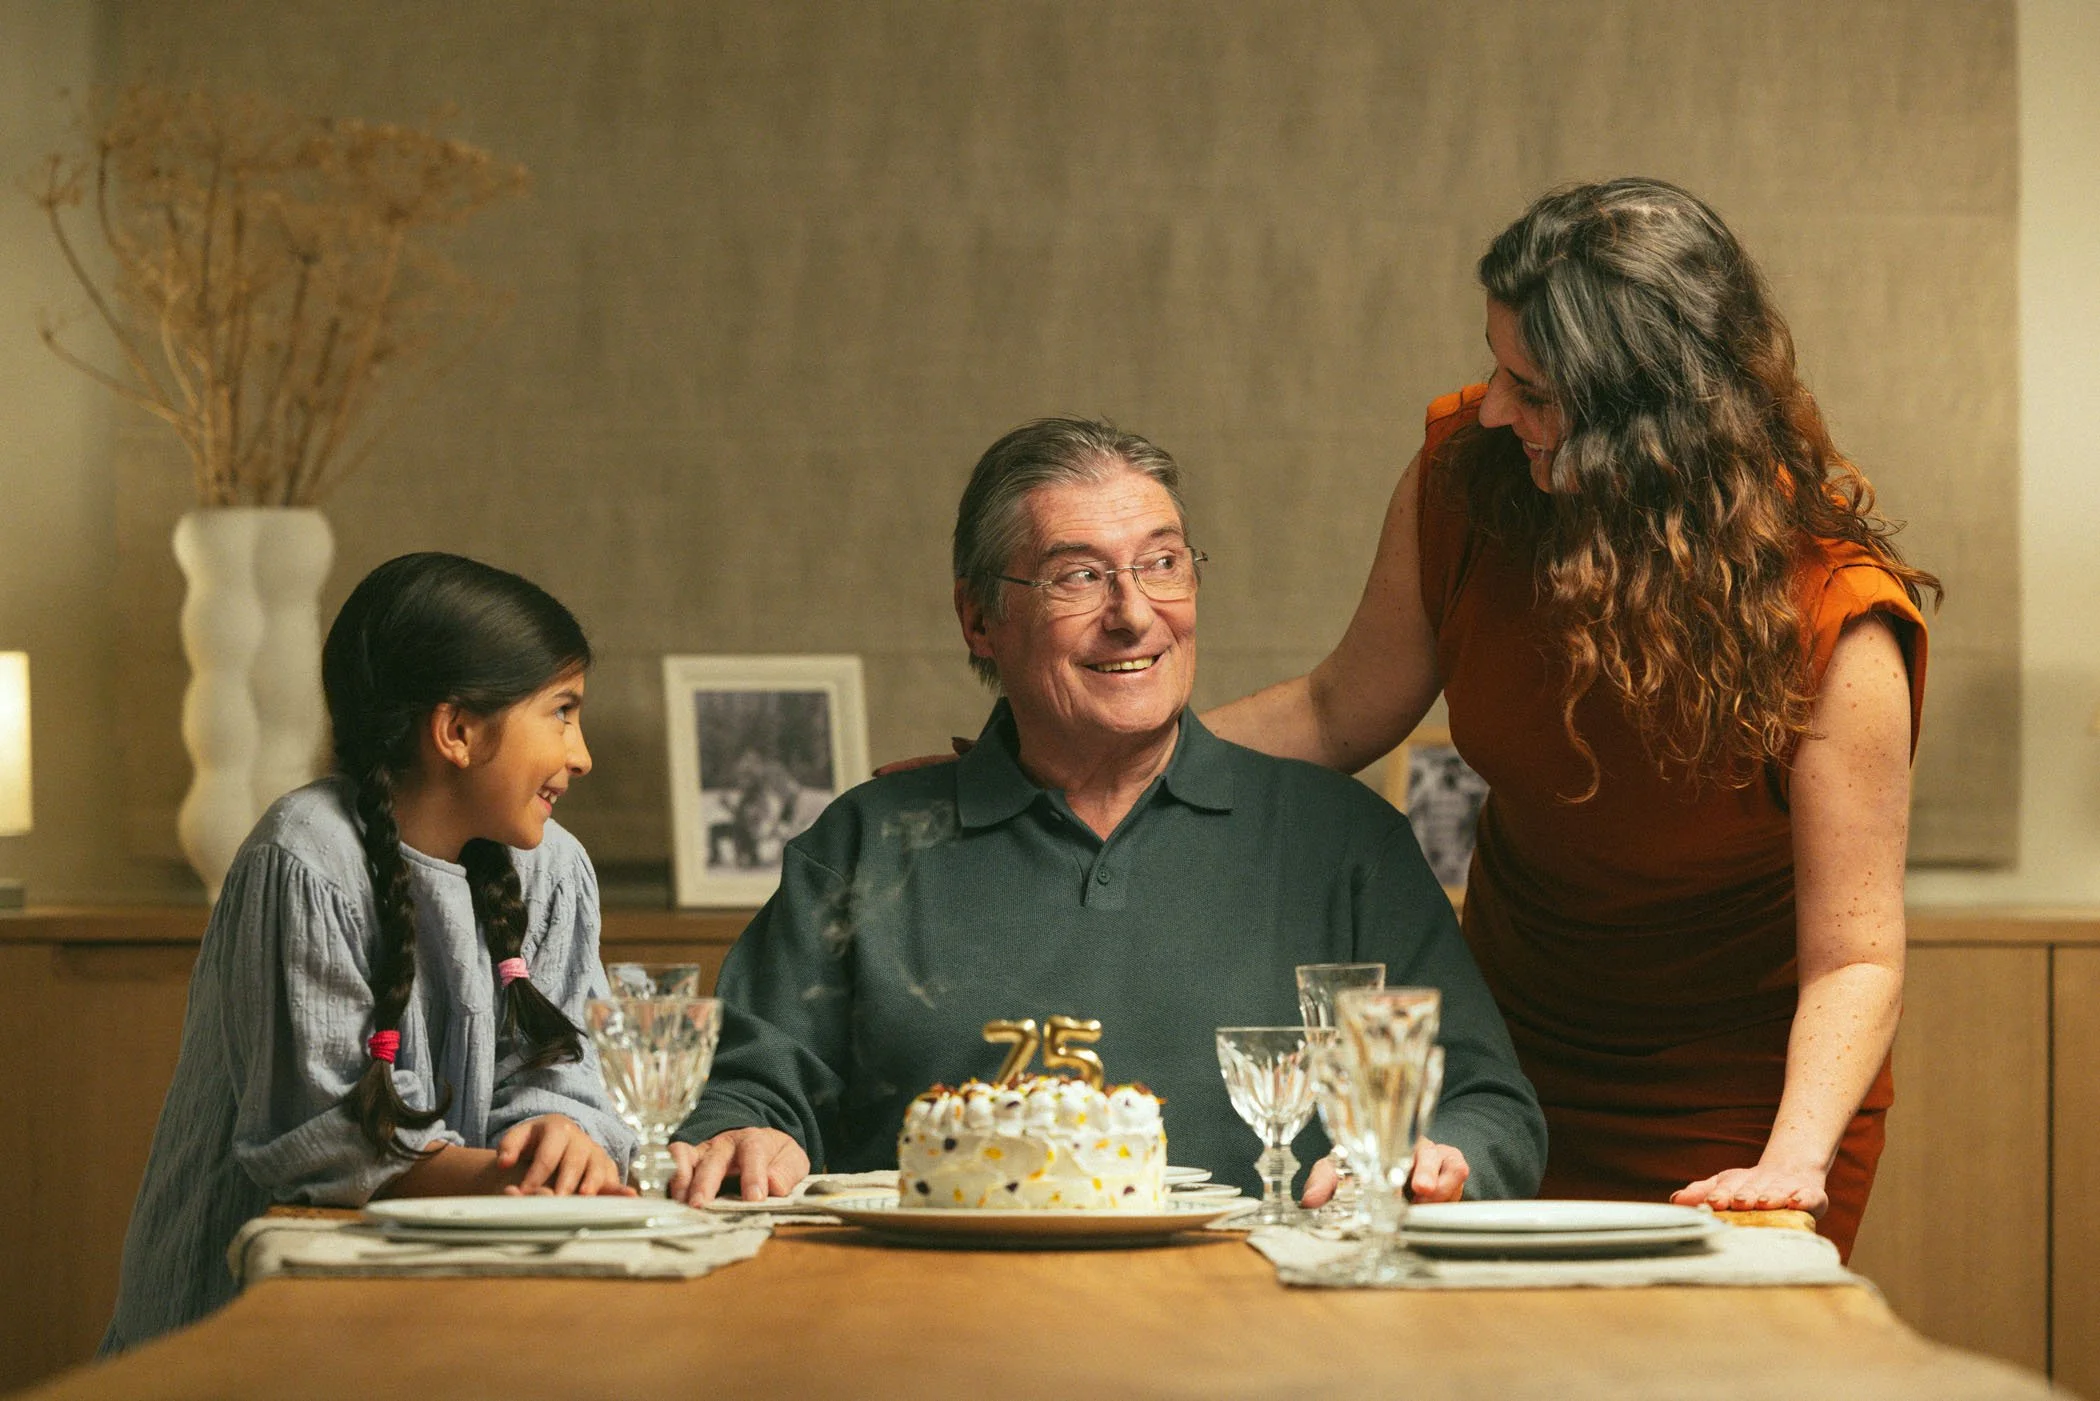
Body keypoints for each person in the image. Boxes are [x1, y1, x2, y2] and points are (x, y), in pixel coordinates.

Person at [1205, 179, 1937, 1260]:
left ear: (1652, 416)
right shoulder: (1468, 476)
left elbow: (1853, 957)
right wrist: (1092, 754)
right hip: (1509, 1055)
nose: (1494, 407)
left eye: (1533, 389)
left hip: (1739, 1100)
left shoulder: (1837, 616)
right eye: (1498, 367)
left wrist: (1788, 1165)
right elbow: (1332, 710)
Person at [667, 418, 1545, 1207]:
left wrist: (1442, 1158)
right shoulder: (864, 846)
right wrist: (747, 1132)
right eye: (1079, 577)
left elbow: (1488, 1107)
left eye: (1163, 563)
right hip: (935, 1336)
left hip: (1263, 1339)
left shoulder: (1344, 844)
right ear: (981, 618)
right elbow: (745, 1088)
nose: (1134, 614)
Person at [103, 553, 635, 1353]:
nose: (582, 752)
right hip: (248, 1323)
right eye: (561, 712)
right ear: (457, 731)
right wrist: (524, 1177)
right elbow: (327, 1140)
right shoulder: (304, 860)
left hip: (451, 1301)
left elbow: (566, 1074)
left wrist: (561, 1135)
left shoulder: (554, 869)